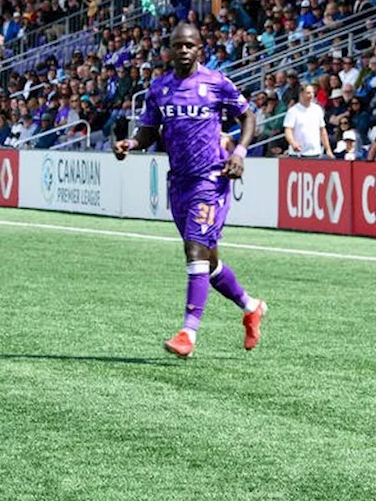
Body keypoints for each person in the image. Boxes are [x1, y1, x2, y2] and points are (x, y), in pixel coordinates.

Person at [113, 22, 265, 359]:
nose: (183, 50)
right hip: (179, 181)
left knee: (194, 251)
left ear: (200, 49)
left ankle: (188, 333)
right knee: (208, 263)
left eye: (189, 45)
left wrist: (239, 153)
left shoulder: (216, 82)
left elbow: (248, 116)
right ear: (169, 49)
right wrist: (132, 143)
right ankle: (251, 306)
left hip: (210, 179)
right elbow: (149, 130)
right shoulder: (160, 88)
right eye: (178, 45)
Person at [283, 83, 329, 157]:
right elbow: (288, 130)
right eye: (308, 93)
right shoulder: (293, 111)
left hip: (315, 152)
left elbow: (322, 130)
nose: (311, 95)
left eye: (313, 93)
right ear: (301, 94)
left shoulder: (318, 109)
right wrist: (293, 143)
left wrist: (328, 149)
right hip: (297, 154)